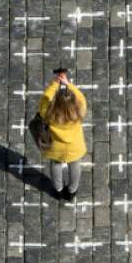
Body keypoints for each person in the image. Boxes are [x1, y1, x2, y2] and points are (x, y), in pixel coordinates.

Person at [38, 67, 87, 202]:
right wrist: (67, 84)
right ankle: (72, 190)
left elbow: (43, 100)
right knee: (75, 164)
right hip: (74, 146)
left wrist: (55, 84)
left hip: (55, 146)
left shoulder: (48, 112)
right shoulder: (80, 109)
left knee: (56, 164)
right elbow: (81, 98)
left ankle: (58, 190)